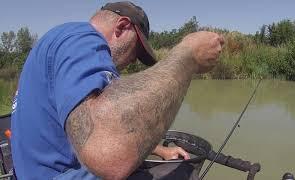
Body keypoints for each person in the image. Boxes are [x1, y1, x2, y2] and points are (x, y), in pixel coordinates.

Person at [11, 1, 223, 179]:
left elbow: (81, 126)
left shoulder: (57, 44)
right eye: (136, 51)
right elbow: (110, 157)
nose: (131, 61)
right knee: (183, 173)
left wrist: (161, 150)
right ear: (121, 28)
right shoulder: (83, 39)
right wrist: (187, 57)